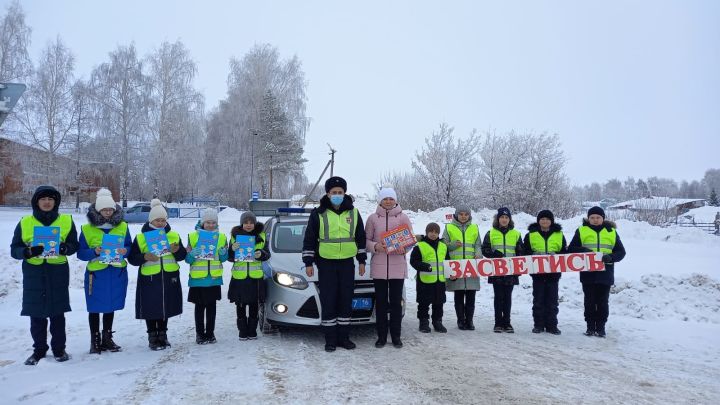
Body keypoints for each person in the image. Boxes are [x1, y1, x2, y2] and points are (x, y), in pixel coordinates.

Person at [10, 186, 79, 365]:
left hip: (58, 272)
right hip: (34, 274)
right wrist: (27, 252)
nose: (47, 202)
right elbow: (14, 249)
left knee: (57, 313)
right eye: (43, 199)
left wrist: (65, 248)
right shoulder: (25, 222)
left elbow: (74, 244)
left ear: (56, 202)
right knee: (37, 314)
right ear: (36, 202)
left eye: (51, 199)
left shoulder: (66, 220)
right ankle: (39, 350)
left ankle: (59, 349)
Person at [303, 176, 367, 352]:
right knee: (329, 300)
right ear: (328, 193)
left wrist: (362, 261)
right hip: (326, 263)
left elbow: (360, 238)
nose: (337, 195)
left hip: (347, 263)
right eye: (334, 192)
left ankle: (344, 338)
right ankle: (330, 339)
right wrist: (308, 262)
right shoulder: (318, 213)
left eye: (340, 192)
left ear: (344, 193)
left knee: (345, 300)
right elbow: (309, 239)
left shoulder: (353, 213)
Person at [77, 188, 131, 354]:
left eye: (110, 209)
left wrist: (125, 251)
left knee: (111, 305)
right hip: (97, 274)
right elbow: (80, 253)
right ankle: (95, 340)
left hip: (116, 272)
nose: (108, 212)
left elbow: (129, 246)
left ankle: (107, 338)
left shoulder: (122, 226)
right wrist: (95, 252)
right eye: (104, 209)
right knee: (94, 307)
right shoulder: (87, 229)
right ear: (98, 210)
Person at [128, 199, 186, 350]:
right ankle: (152, 335)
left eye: (163, 220)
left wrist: (177, 250)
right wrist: (144, 257)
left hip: (168, 276)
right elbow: (132, 258)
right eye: (157, 220)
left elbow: (182, 256)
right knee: (150, 307)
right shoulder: (141, 237)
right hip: (150, 277)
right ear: (151, 220)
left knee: (165, 306)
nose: (161, 223)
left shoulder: (173, 235)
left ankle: (163, 334)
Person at [364, 187, 413, 348]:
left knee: (396, 304)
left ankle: (396, 336)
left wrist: (403, 248)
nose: (388, 201)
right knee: (381, 303)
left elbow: (410, 240)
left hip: (397, 267)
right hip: (379, 267)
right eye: (385, 198)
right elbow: (366, 241)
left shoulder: (403, 217)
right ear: (380, 200)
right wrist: (376, 246)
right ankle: (381, 336)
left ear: (395, 200)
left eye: (391, 198)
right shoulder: (372, 219)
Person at [568, 206, 626, 338]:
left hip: (606, 273)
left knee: (602, 302)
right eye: (592, 217)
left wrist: (611, 257)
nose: (595, 220)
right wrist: (584, 251)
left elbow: (621, 252)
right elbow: (571, 248)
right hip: (587, 273)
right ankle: (590, 327)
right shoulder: (581, 231)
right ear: (588, 218)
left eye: (598, 217)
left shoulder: (611, 232)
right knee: (589, 301)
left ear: (603, 218)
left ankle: (601, 327)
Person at [186, 208, 227, 344]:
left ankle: (210, 333)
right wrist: (191, 254)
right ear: (202, 222)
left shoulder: (221, 237)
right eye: (208, 222)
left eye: (213, 222)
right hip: (198, 279)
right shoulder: (193, 236)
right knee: (199, 308)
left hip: (214, 278)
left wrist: (223, 253)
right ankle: (199, 334)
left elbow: (223, 259)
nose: (210, 225)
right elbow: (188, 259)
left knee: (211, 308)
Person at [522, 209, 566, 335]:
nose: (545, 221)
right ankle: (538, 325)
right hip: (538, 273)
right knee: (538, 300)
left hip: (554, 273)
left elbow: (565, 252)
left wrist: (556, 255)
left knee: (552, 300)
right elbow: (525, 252)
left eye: (547, 219)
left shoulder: (559, 234)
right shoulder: (530, 235)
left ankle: (552, 325)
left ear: (551, 221)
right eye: (542, 219)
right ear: (538, 221)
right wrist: (535, 255)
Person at [228, 211, 270, 341]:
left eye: (251, 222)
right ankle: (242, 331)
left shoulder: (262, 236)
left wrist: (261, 254)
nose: (248, 225)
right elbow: (229, 257)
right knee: (240, 305)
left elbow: (267, 254)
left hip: (255, 278)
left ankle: (252, 330)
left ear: (255, 223)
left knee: (253, 305)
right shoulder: (234, 237)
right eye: (246, 222)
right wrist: (232, 250)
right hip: (239, 277)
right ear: (242, 223)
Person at [482, 207, 524, 333]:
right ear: (498, 219)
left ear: (509, 219)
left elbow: (520, 252)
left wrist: (519, 266)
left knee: (508, 297)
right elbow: (485, 249)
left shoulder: (516, 234)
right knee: (498, 297)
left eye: (506, 217)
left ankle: (507, 322)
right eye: (502, 217)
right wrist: (494, 254)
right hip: (496, 271)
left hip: (511, 271)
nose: (504, 219)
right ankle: (498, 323)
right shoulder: (490, 233)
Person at [442, 206, 481, 331]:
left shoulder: (475, 227)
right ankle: (460, 320)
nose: (463, 216)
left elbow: (478, 244)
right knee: (458, 296)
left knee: (471, 296)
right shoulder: (449, 227)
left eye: (466, 214)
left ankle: (469, 321)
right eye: (461, 214)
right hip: (456, 268)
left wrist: (478, 253)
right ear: (456, 215)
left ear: (469, 216)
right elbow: (442, 246)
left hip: (471, 267)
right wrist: (452, 245)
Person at [410, 222, 448, 334]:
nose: (433, 234)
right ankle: (423, 322)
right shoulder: (420, 246)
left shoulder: (443, 246)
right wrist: (425, 266)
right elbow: (413, 261)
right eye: (431, 231)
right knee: (423, 303)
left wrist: (452, 274)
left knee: (439, 303)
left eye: (436, 232)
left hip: (440, 281)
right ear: (427, 232)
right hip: (424, 281)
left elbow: (448, 262)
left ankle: (437, 322)